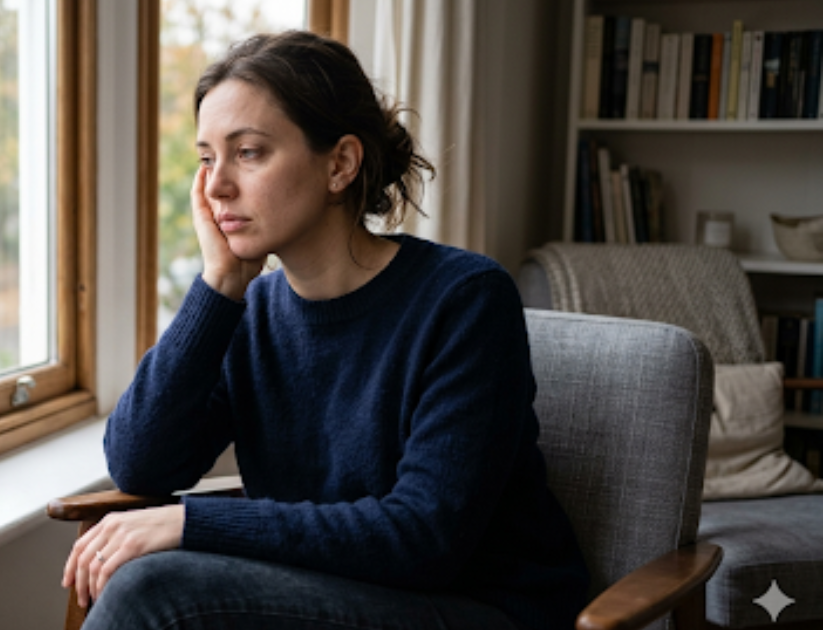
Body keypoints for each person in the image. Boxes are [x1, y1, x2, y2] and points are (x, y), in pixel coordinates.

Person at [62, 30, 588, 630]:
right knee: (139, 579)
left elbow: (423, 538)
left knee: (150, 590)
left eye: (249, 152)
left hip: (479, 605)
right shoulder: (251, 310)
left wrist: (190, 524)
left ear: (340, 163)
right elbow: (139, 465)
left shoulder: (465, 300)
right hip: (327, 589)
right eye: (207, 158)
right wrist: (219, 287)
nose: (215, 186)